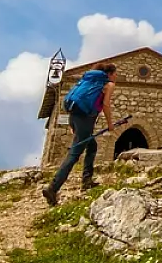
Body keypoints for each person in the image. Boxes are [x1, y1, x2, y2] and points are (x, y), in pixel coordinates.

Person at [42, 63, 119, 206]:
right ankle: (53, 188)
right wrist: (110, 124)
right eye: (115, 73)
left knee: (92, 146)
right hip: (85, 119)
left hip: (75, 115)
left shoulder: (88, 81)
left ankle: (87, 180)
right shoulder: (108, 85)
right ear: (109, 74)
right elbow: (106, 105)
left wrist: (73, 125)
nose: (116, 76)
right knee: (74, 154)